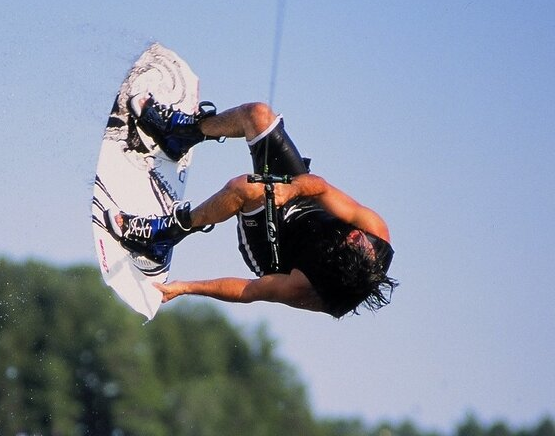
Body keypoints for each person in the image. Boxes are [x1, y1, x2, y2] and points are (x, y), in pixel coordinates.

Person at [106, 96, 396, 318]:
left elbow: (250, 291)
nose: (353, 235)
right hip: (301, 200)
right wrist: (292, 189)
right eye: (359, 240)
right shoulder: (375, 232)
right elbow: (320, 187)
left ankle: (165, 236)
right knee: (257, 114)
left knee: (246, 188)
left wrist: (185, 287)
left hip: (275, 250)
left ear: (340, 261)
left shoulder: (308, 287)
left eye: (351, 243)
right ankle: (181, 134)